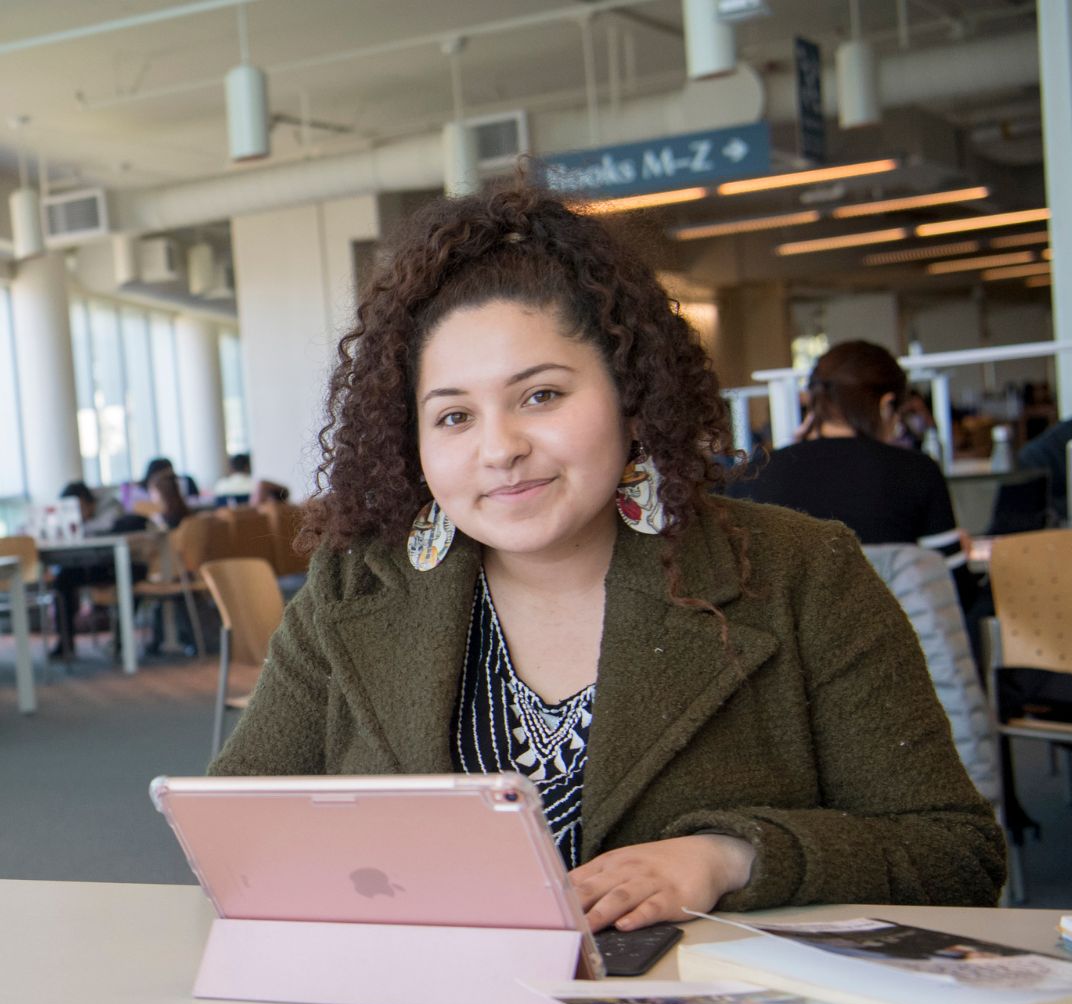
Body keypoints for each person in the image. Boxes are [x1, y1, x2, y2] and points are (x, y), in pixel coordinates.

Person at [209, 182, 1004, 931]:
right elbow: (235, 831)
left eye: (541, 396)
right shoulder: (356, 587)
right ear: (411, 442)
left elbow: (954, 853)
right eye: (453, 417)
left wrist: (730, 856)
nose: (500, 449)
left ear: (631, 393)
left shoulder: (800, 573)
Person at [729, 341, 979, 611]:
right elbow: (954, 590)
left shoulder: (757, 471)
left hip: (789, 645)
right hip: (895, 641)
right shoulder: (915, 470)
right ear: (887, 403)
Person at [49, 481, 149, 658]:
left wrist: (77, 526)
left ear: (86, 501)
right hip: (91, 565)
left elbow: (107, 524)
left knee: (130, 581)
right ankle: (65, 643)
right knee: (62, 580)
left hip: (120, 563)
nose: (77, 514)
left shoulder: (110, 505)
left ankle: (120, 641)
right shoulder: (76, 516)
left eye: (78, 508)